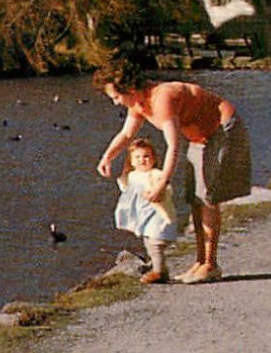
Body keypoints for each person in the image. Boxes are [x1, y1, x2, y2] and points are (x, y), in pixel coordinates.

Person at [95, 57, 252, 284]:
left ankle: (210, 264)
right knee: (195, 198)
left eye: (116, 97)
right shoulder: (138, 103)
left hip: (222, 129)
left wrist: (161, 184)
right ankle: (200, 262)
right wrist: (107, 157)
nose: (116, 103)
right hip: (201, 137)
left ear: (129, 88)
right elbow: (127, 135)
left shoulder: (162, 98)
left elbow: (174, 145)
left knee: (206, 197)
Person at [114, 137, 180, 283]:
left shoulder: (155, 174)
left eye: (146, 157)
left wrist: (158, 191)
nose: (142, 160)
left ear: (154, 159)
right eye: (137, 157)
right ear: (131, 161)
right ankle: (159, 267)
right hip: (143, 216)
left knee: (156, 243)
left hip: (158, 215)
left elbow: (167, 187)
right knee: (149, 242)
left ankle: (158, 271)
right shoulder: (132, 175)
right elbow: (125, 186)